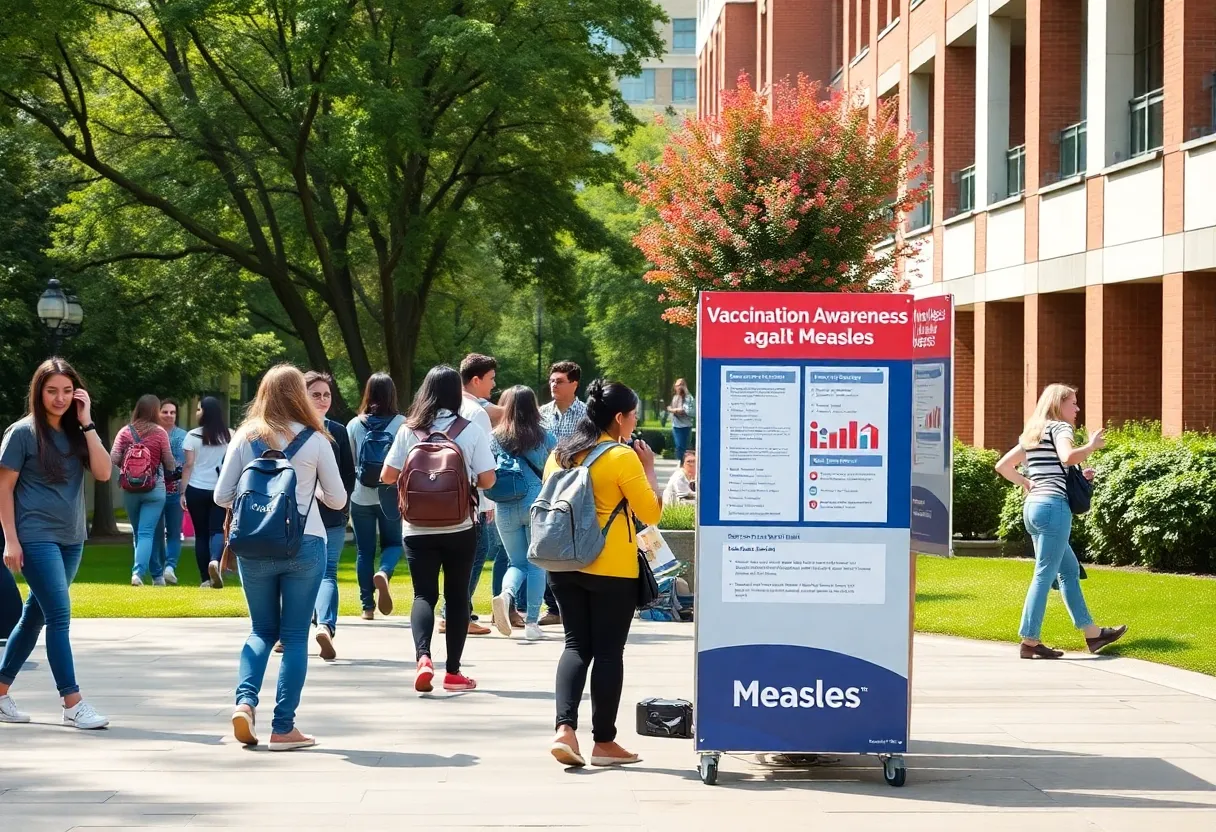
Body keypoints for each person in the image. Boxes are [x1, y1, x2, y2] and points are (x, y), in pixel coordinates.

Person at [215, 364, 347, 751]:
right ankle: (283, 727)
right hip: (306, 544)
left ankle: (244, 702)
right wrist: (312, 493)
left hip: (254, 545)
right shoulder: (318, 440)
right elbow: (338, 500)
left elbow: (222, 497)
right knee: (293, 637)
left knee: (260, 631)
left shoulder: (245, 436)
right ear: (299, 395)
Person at [545, 379, 661, 768]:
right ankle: (605, 743)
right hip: (611, 567)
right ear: (618, 418)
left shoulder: (560, 455)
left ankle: (564, 729)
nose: (634, 423)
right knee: (609, 652)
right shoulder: (621, 457)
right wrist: (649, 469)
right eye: (632, 416)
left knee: (576, 645)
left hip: (563, 563)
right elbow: (652, 513)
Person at [0, 358, 113, 729]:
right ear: (39, 391)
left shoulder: (78, 431)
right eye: (52, 391)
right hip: (34, 537)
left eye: (67, 391)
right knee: (59, 617)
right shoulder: (21, 433)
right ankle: (72, 702)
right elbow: (4, 489)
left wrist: (88, 421)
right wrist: (10, 541)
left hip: (71, 537)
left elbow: (103, 472)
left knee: (35, 614)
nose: (60, 398)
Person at [381, 365, 496, 693]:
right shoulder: (470, 430)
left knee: (423, 594)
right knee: (458, 596)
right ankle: (454, 673)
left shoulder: (409, 430)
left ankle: (423, 658)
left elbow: (388, 476)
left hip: (416, 527)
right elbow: (488, 479)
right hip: (460, 525)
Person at [996, 384, 1128, 660]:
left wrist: (1026, 482)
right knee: (1044, 575)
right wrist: (1090, 446)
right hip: (1053, 509)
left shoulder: (1033, 432)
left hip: (1033, 508)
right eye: (1073, 403)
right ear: (1059, 405)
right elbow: (1067, 456)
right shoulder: (1060, 428)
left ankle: (1092, 633)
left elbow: (1003, 466)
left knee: (1068, 571)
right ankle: (1030, 640)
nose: (1077, 408)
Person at [437, 353, 501, 636]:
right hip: (471, 497)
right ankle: (455, 612)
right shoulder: (477, 413)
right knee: (478, 550)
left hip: (441, 495)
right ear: (476, 379)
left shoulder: (443, 406)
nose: (493, 385)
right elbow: (483, 462)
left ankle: (452, 611)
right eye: (490, 379)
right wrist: (487, 504)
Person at [488, 386, 556, 641]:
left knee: (515, 561)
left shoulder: (495, 437)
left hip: (504, 505)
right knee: (536, 563)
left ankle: (506, 595)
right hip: (536, 503)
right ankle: (531, 623)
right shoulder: (545, 436)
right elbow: (556, 470)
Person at [304, 371, 355, 660]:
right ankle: (318, 625)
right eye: (316, 394)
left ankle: (321, 625)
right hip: (299, 515)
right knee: (314, 573)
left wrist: (342, 505)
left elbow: (349, 474)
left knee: (325, 572)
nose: (323, 400)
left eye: (326, 394)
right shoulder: (293, 429)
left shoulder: (339, 430)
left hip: (331, 515)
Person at [346, 373, 405, 620]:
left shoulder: (354, 424)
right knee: (393, 544)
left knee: (364, 551)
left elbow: (349, 461)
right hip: (390, 494)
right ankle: (384, 571)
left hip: (361, 496)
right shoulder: (402, 423)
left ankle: (367, 607)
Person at [110, 395, 180, 587]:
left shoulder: (125, 432)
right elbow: (169, 462)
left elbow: (113, 457)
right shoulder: (159, 433)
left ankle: (156, 576)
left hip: (130, 489)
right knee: (148, 532)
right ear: (154, 411)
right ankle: (139, 573)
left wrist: (129, 466)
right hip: (155, 489)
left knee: (139, 533)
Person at [536, 360, 587, 626]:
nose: (554, 385)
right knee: (547, 546)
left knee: (574, 546)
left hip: (576, 489)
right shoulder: (541, 413)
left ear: (574, 384)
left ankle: (575, 605)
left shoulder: (587, 415)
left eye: (560, 381)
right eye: (552, 380)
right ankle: (552, 608)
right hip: (545, 489)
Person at [180, 397, 231, 588]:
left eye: (199, 408)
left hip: (196, 489)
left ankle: (205, 579)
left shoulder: (192, 436)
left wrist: (183, 492)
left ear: (204, 412)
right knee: (218, 530)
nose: (197, 412)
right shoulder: (229, 436)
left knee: (200, 535)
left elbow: (188, 465)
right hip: (220, 489)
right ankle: (215, 560)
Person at [152, 399, 187, 585]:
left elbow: (187, 465)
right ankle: (158, 572)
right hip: (153, 491)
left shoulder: (183, 436)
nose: (169, 415)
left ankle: (170, 567)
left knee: (174, 532)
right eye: (165, 412)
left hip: (175, 491)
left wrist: (184, 492)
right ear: (158, 413)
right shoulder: (151, 434)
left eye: (172, 412)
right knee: (156, 533)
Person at [666, 379, 695, 465]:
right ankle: (681, 463)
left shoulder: (688, 397)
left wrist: (672, 410)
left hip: (685, 426)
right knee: (678, 446)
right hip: (676, 425)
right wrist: (673, 410)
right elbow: (671, 408)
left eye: (680, 385)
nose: (678, 387)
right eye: (677, 386)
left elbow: (685, 410)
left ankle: (685, 464)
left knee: (684, 447)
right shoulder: (675, 397)